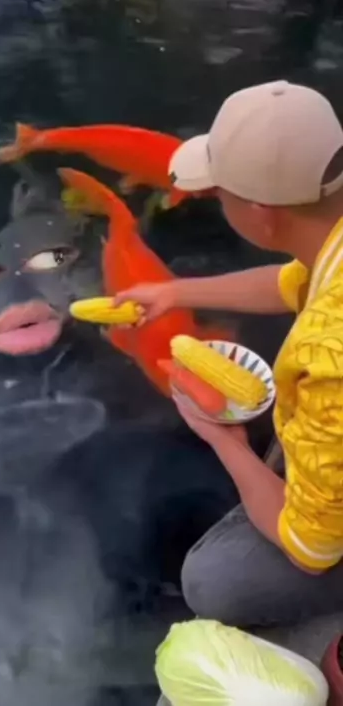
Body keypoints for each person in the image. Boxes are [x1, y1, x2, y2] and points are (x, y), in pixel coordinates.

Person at [115, 80, 343, 628]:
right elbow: (292, 282)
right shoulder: (329, 250)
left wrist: (224, 438)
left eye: (220, 194)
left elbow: (313, 547)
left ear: (262, 215)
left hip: (323, 532)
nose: (217, 203)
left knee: (215, 580)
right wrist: (176, 292)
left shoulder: (324, 352)